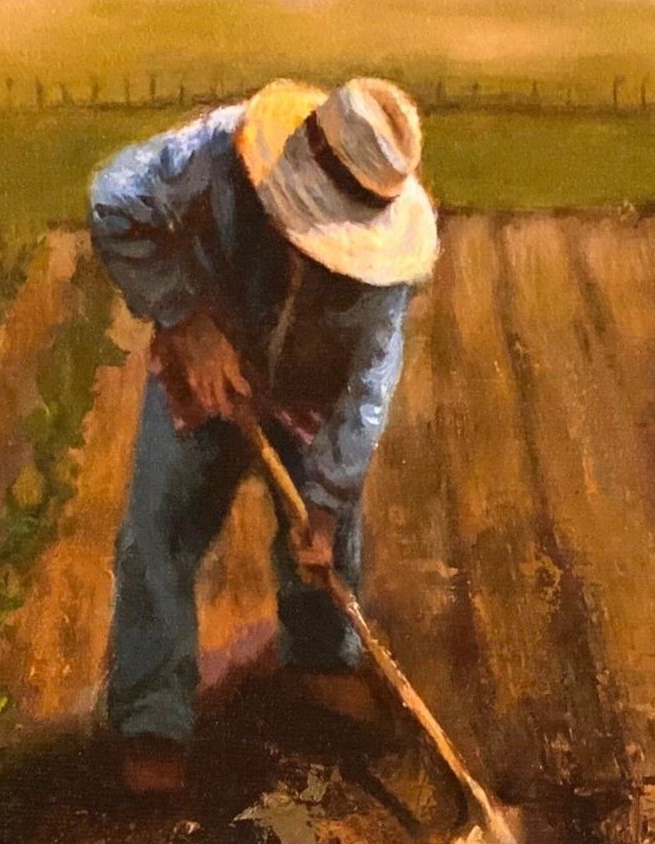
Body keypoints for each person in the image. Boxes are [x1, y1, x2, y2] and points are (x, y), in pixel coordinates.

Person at [87, 77, 437, 796]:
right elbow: (113, 199)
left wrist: (330, 497)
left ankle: (321, 661)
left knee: (324, 542)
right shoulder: (214, 154)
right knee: (158, 534)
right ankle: (153, 718)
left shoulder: (383, 281)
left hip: (311, 389)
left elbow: (368, 388)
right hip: (206, 363)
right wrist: (185, 321)